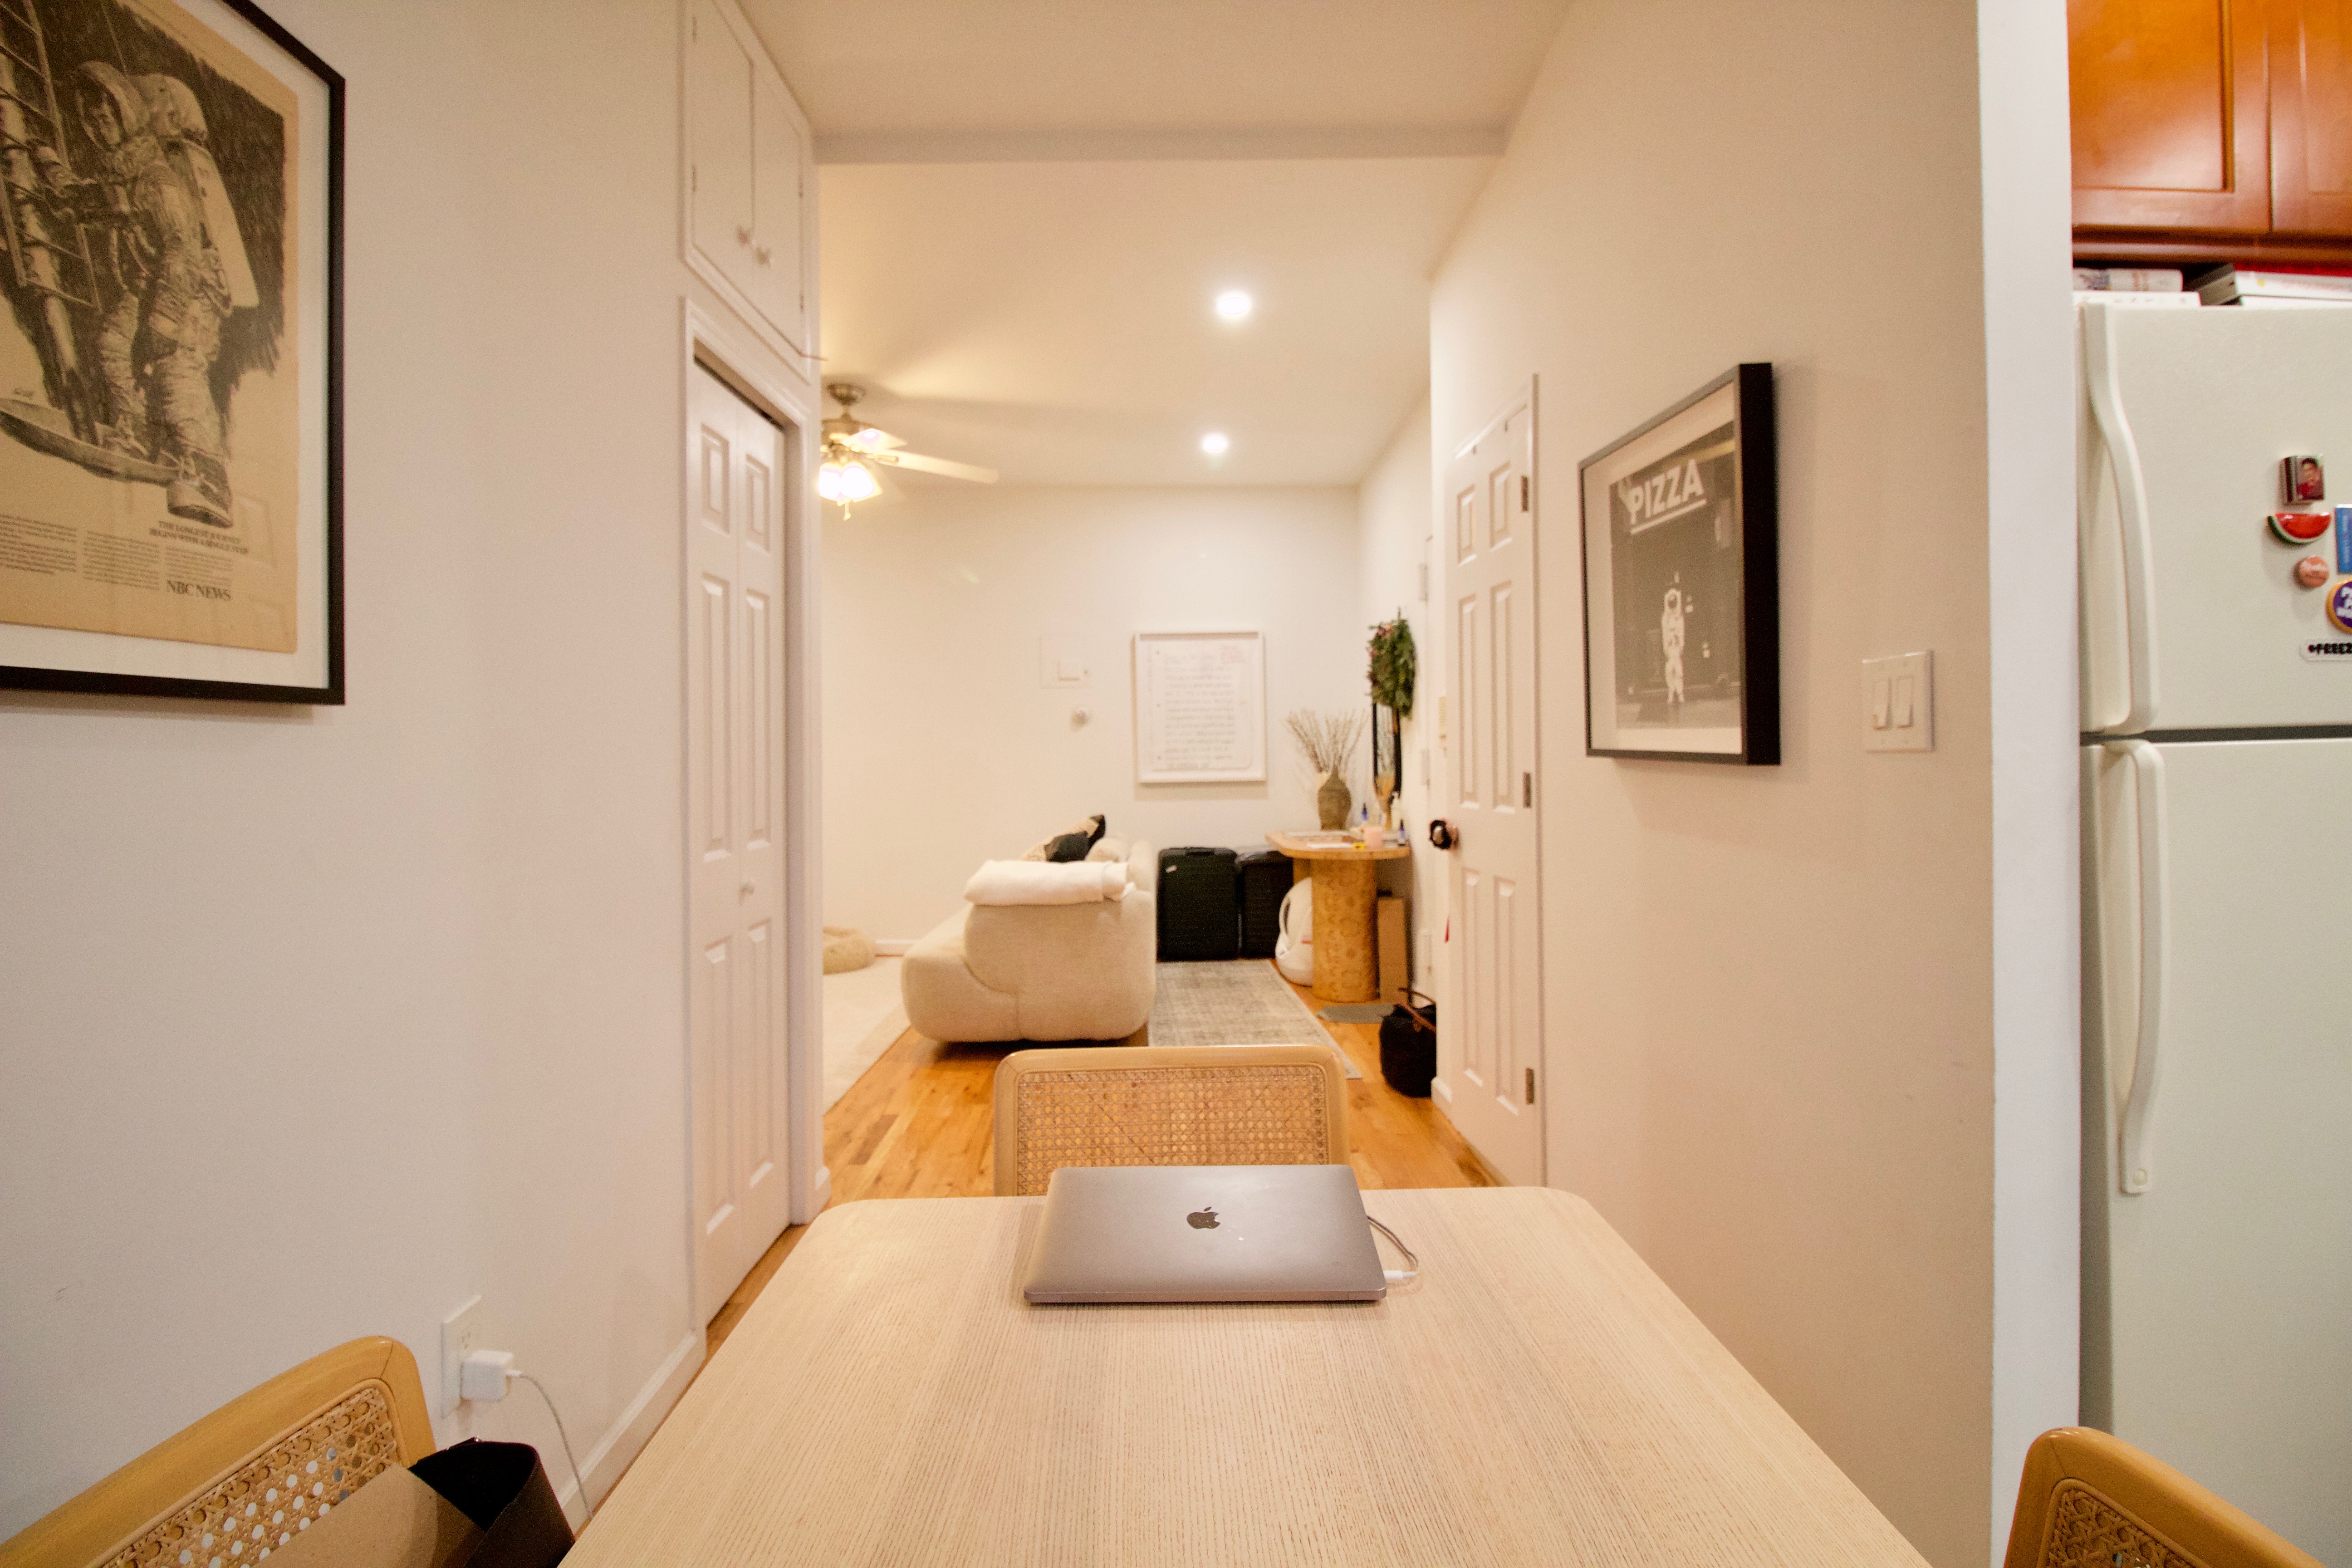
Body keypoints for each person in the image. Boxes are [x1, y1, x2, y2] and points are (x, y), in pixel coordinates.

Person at [35, 62, 234, 525]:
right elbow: (86, 202)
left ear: (127, 114)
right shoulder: (127, 175)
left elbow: (182, 251)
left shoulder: (158, 180)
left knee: (175, 369)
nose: (98, 121)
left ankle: (209, 478)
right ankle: (139, 434)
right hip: (152, 282)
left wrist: (163, 322)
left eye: (108, 113)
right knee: (112, 346)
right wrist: (48, 166)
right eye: (91, 116)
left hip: (191, 291)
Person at [1661, 583, 1686, 707]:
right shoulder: (1665, 618)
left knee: (1679, 669)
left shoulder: (1679, 617)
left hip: (1677, 646)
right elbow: (1664, 632)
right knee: (1670, 669)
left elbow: (1682, 632)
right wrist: (1665, 646)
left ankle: (1680, 692)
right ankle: (1671, 691)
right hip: (1670, 647)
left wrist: (1681, 644)